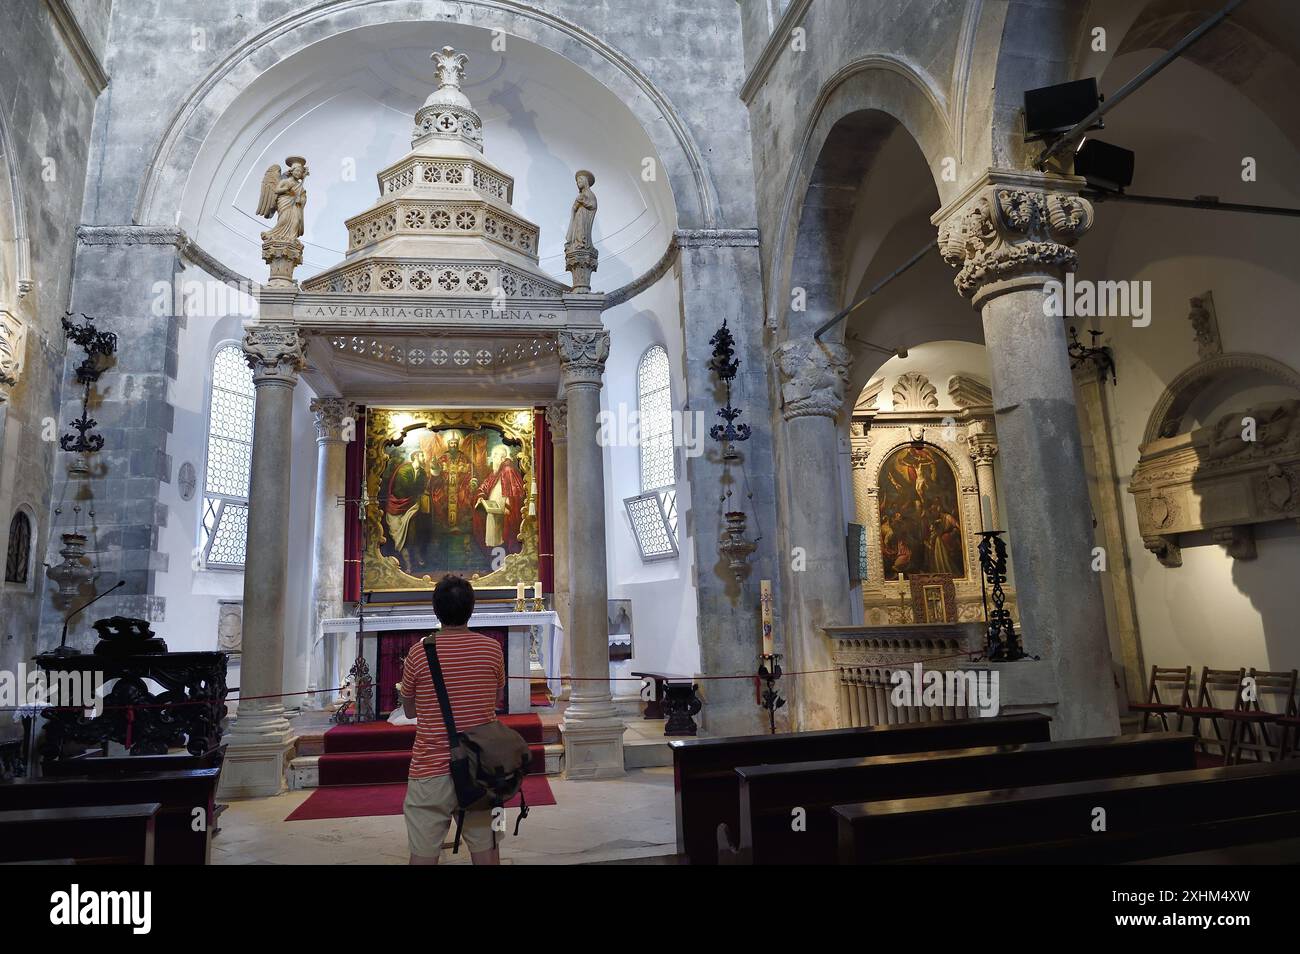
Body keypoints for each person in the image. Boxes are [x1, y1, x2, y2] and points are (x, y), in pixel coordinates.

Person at [397, 574, 506, 865]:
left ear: (436, 610)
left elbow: (409, 711)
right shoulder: (492, 649)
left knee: (422, 855)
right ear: (472, 608)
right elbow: (494, 703)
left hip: (430, 769)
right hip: (481, 770)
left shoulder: (419, 652)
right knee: (488, 852)